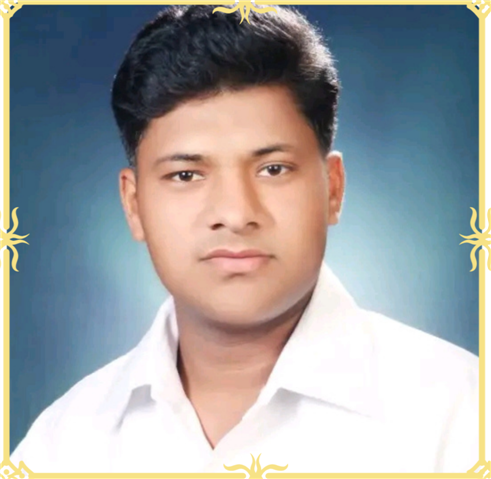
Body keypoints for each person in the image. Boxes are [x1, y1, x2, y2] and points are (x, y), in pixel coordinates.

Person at [11, 4, 478, 473]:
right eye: (186, 175)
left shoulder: (462, 415)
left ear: (333, 188)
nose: (235, 215)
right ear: (134, 205)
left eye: (273, 169)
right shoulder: (63, 444)